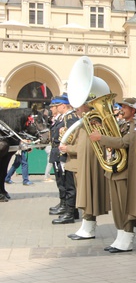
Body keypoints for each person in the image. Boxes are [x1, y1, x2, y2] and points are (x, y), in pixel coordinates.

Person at [90, 97, 136, 253]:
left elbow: (124, 142)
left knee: (126, 207)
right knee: (118, 208)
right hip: (117, 170)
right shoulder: (126, 124)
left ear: (133, 110)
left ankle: (127, 239)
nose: (121, 109)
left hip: (128, 173)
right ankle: (120, 237)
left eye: (124, 107)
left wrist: (101, 138)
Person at [66, 102, 111, 241]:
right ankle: (86, 226)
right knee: (84, 196)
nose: (77, 110)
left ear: (86, 107)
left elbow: (85, 148)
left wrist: (68, 149)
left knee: (87, 196)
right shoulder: (83, 123)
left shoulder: (91, 123)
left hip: (85, 164)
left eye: (79, 107)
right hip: (79, 164)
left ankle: (89, 228)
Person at [49, 94, 80, 224]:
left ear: (62, 105)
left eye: (55, 106)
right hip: (60, 152)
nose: (52, 109)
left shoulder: (70, 117)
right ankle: (68, 209)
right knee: (64, 183)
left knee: (69, 184)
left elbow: (72, 136)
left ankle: (70, 212)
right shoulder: (65, 117)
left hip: (66, 154)